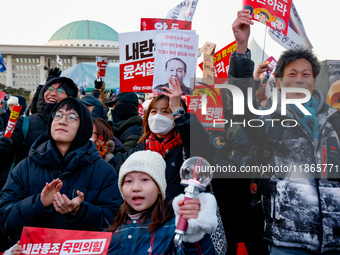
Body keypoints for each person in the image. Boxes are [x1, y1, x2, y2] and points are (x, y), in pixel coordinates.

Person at [228, 9, 340, 254]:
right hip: (286, 242)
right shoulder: (267, 119)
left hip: (334, 241)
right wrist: (241, 48)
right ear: (277, 82)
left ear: (314, 80)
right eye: (292, 74)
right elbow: (239, 105)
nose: (299, 79)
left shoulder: (335, 121)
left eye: (306, 74)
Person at [0, 97, 122, 245]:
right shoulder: (25, 167)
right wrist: (38, 203)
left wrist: (80, 212)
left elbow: (115, 222)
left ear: (84, 126)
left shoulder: (104, 171)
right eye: (58, 115)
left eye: (71, 117)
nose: (62, 121)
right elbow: (4, 219)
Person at [110, 78, 214, 199]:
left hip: (179, 214)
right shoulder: (138, 151)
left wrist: (176, 109)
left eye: (166, 111)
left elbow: (202, 148)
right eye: (153, 111)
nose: (158, 116)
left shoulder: (186, 151)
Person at [107, 150, 218, 255]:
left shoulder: (174, 226)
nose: (135, 188)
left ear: (159, 188)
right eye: (129, 181)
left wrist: (193, 234)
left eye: (144, 179)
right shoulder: (113, 228)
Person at [0, 77, 78, 191]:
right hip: (25, 189)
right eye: (49, 89)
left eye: (60, 91)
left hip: (62, 190)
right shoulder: (24, 123)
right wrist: (2, 147)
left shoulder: (75, 125)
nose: (52, 93)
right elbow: (7, 157)